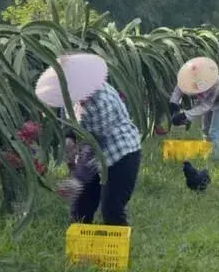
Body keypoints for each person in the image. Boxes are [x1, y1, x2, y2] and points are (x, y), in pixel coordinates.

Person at [35, 53, 142, 226]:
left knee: (112, 209)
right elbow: (68, 115)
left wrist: (77, 179)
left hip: (121, 154)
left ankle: (119, 247)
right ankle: (82, 248)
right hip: (94, 152)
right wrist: (69, 137)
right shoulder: (72, 94)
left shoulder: (100, 103)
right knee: (80, 209)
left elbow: (95, 147)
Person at [169, 57, 219, 161]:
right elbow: (180, 87)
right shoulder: (189, 76)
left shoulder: (216, 83)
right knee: (205, 130)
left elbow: (205, 106)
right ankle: (207, 154)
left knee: (215, 132)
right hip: (205, 101)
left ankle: (217, 159)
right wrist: (173, 103)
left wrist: (185, 115)